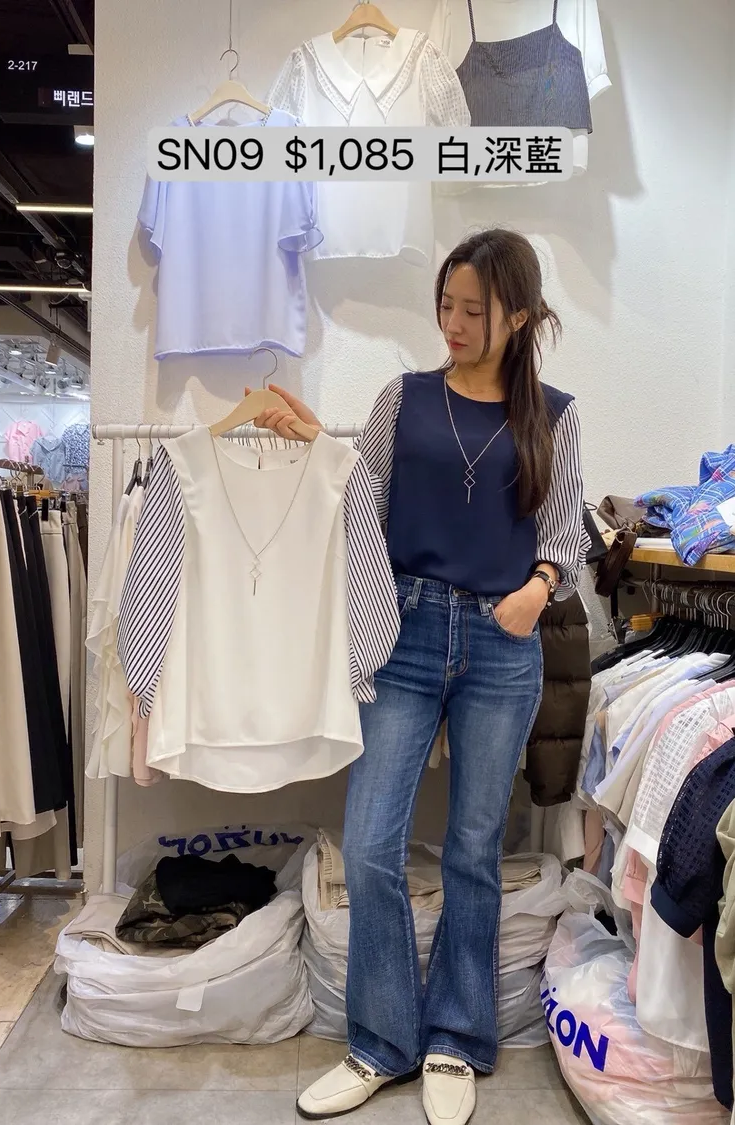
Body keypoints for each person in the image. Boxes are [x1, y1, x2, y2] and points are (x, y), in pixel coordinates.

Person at [250, 228, 588, 1125]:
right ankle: (381, 1042)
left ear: (521, 315)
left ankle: (456, 1039)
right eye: (446, 305)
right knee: (370, 842)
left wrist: (536, 591)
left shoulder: (553, 416)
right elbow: (358, 496)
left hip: (502, 642)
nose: (454, 324)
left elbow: (565, 533)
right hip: (402, 627)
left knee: (475, 846)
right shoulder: (404, 398)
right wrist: (315, 441)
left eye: (475, 310)